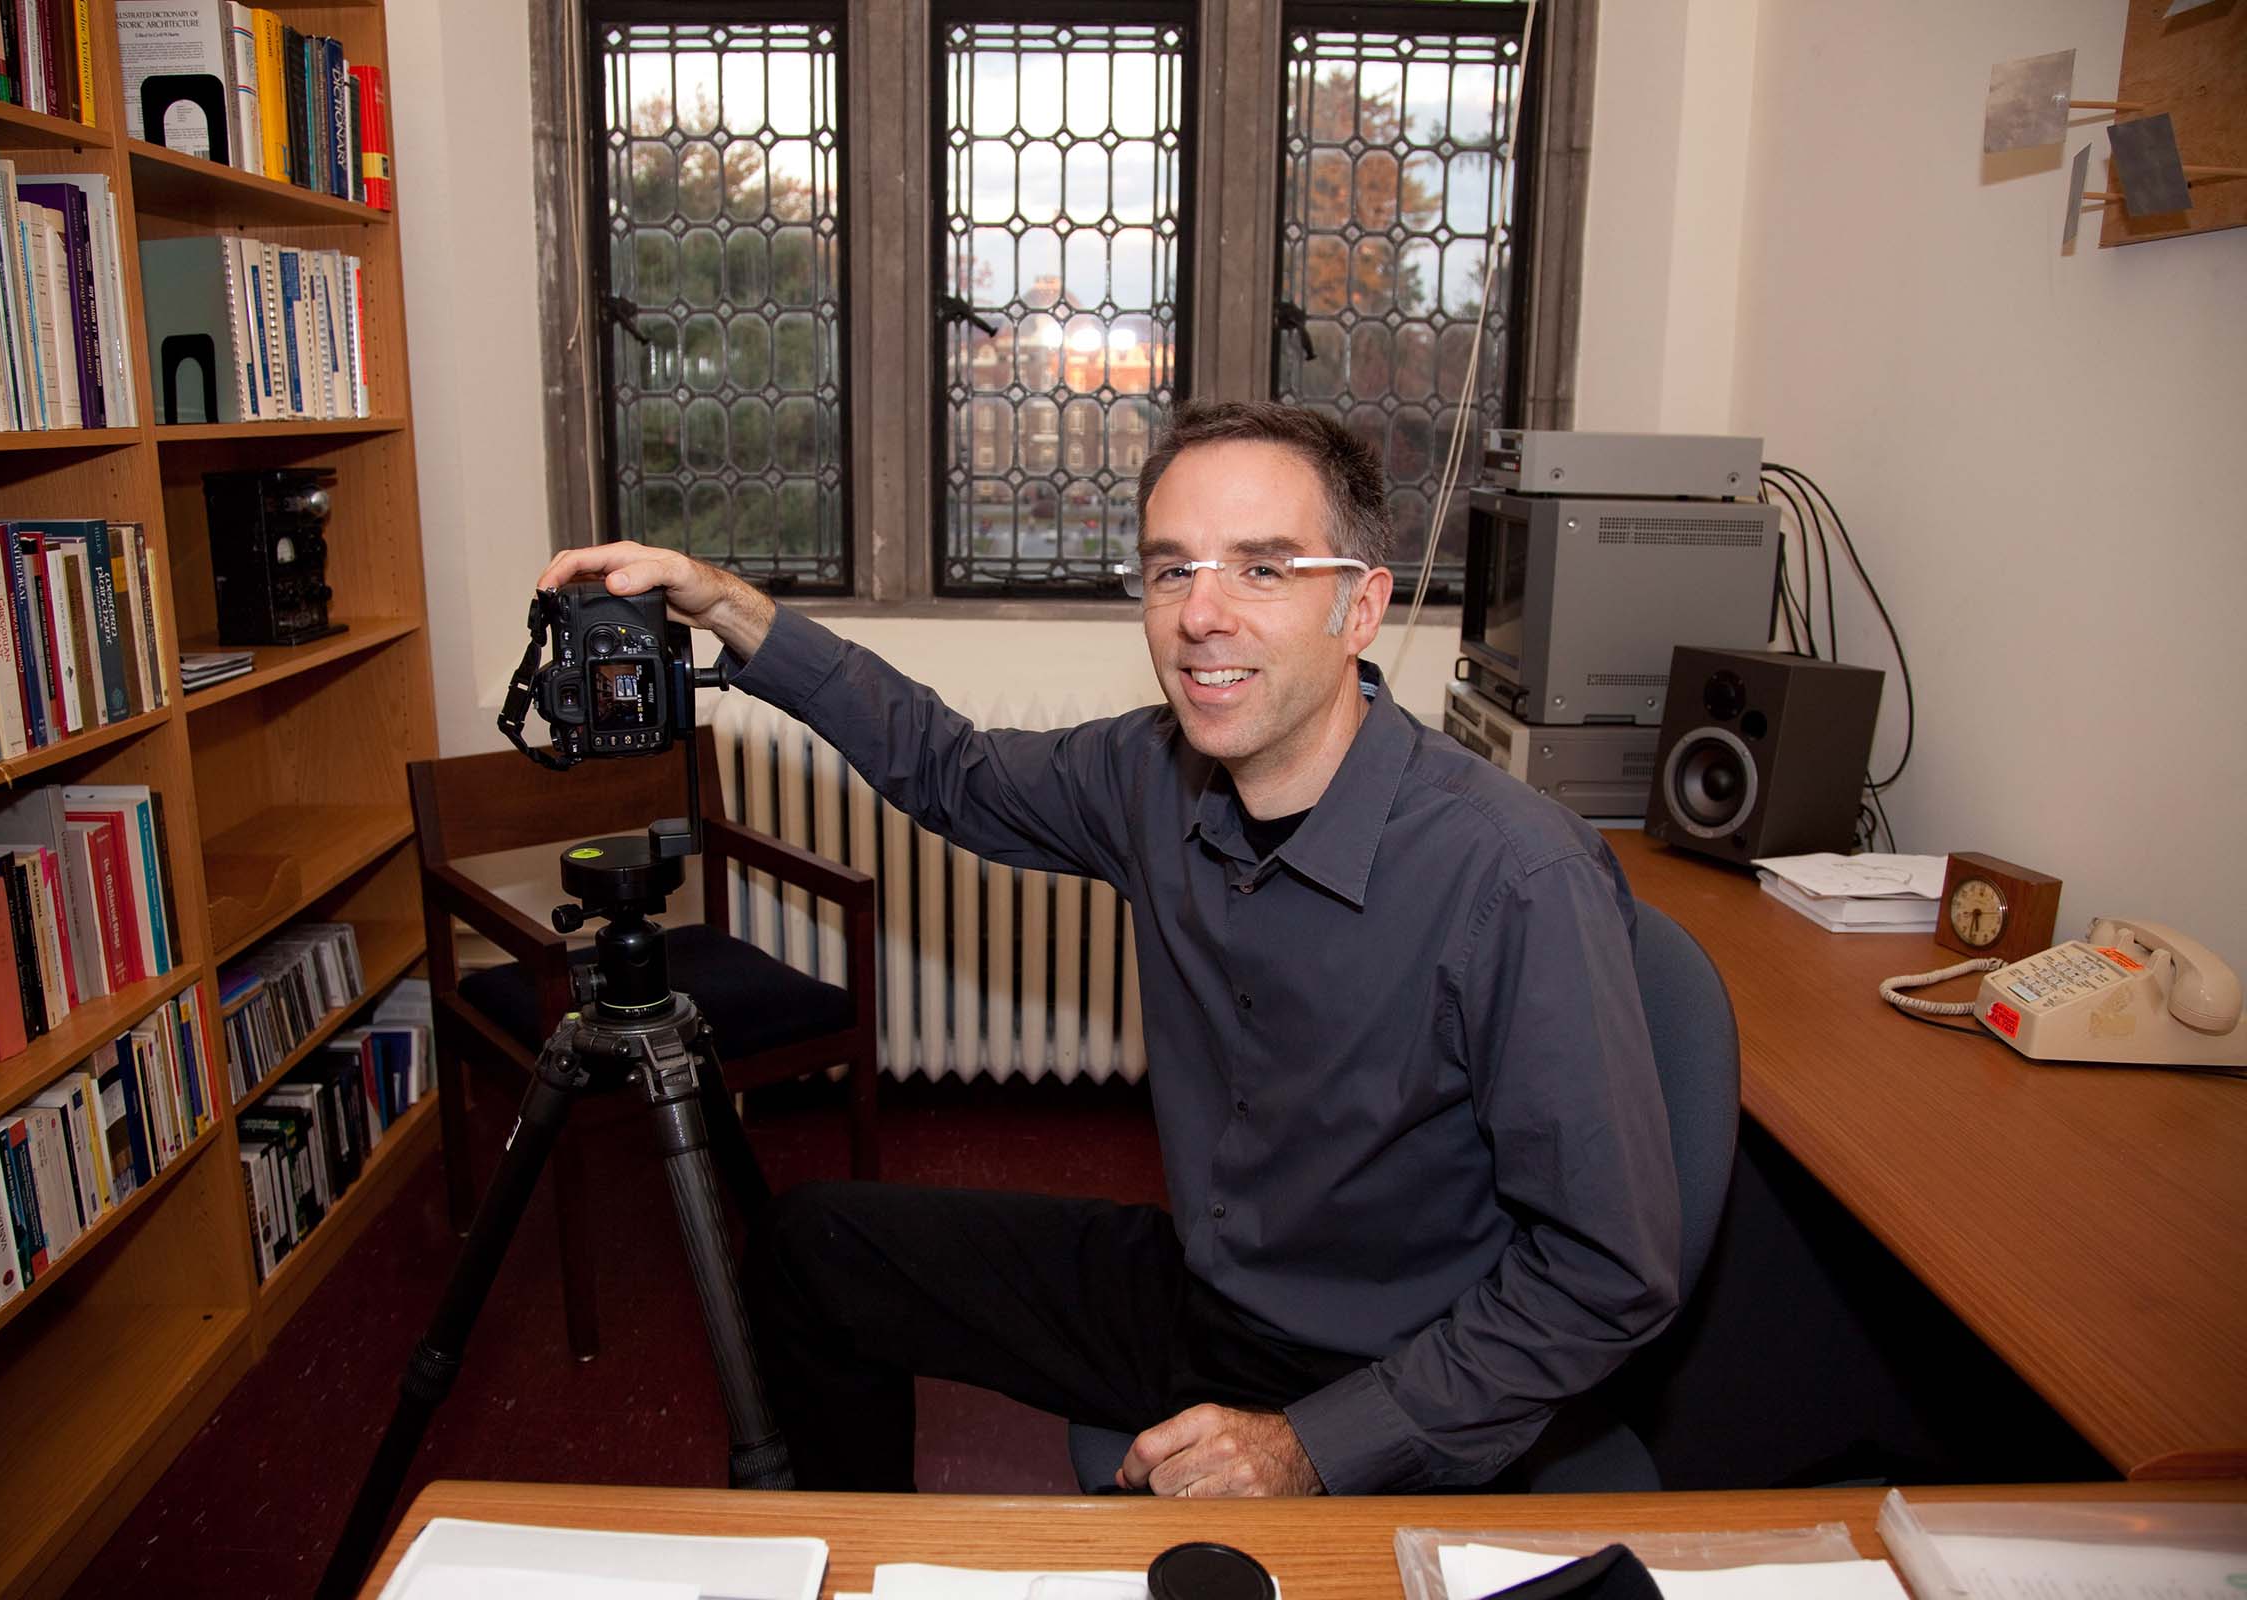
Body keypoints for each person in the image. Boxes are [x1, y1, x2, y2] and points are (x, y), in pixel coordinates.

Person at [537, 400, 1681, 1497]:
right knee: (813, 1245)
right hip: (1204, 1296)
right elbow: (950, 767)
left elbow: (1604, 1275)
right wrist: (732, 606)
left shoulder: (1517, 875)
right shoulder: (1148, 776)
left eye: (1264, 567)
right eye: (1173, 567)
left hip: (1391, 1362)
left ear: (1363, 606)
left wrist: (1313, 1448)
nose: (1202, 612)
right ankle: (849, 1551)